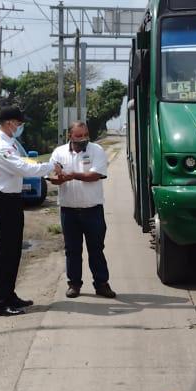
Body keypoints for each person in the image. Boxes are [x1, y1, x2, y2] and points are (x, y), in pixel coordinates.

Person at [0, 106, 59, 316]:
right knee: (5, 252)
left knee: (14, 250)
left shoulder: (9, 143)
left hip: (12, 200)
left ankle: (10, 295)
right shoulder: (1, 146)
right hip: (4, 201)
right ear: (10, 123)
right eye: (19, 124)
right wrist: (51, 165)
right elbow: (24, 169)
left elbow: (24, 165)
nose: (20, 127)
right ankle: (2, 303)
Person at [49, 122, 115, 299]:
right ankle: (74, 285)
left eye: (85, 134)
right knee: (72, 250)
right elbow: (52, 175)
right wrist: (57, 178)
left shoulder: (96, 150)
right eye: (78, 136)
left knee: (96, 249)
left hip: (92, 210)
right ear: (69, 135)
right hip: (68, 210)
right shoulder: (59, 152)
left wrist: (72, 176)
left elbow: (95, 175)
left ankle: (101, 284)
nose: (83, 138)